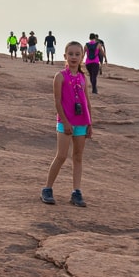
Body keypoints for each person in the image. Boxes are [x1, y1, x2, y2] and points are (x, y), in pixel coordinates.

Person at [40, 41, 92, 207]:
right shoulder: (60, 76)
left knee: (78, 157)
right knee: (61, 156)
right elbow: (57, 101)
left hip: (82, 122)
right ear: (65, 56)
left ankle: (76, 192)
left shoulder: (83, 77)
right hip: (65, 122)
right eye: (71, 54)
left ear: (82, 57)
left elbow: (86, 101)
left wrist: (90, 123)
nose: (74, 57)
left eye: (77, 54)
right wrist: (65, 121)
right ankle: (47, 188)